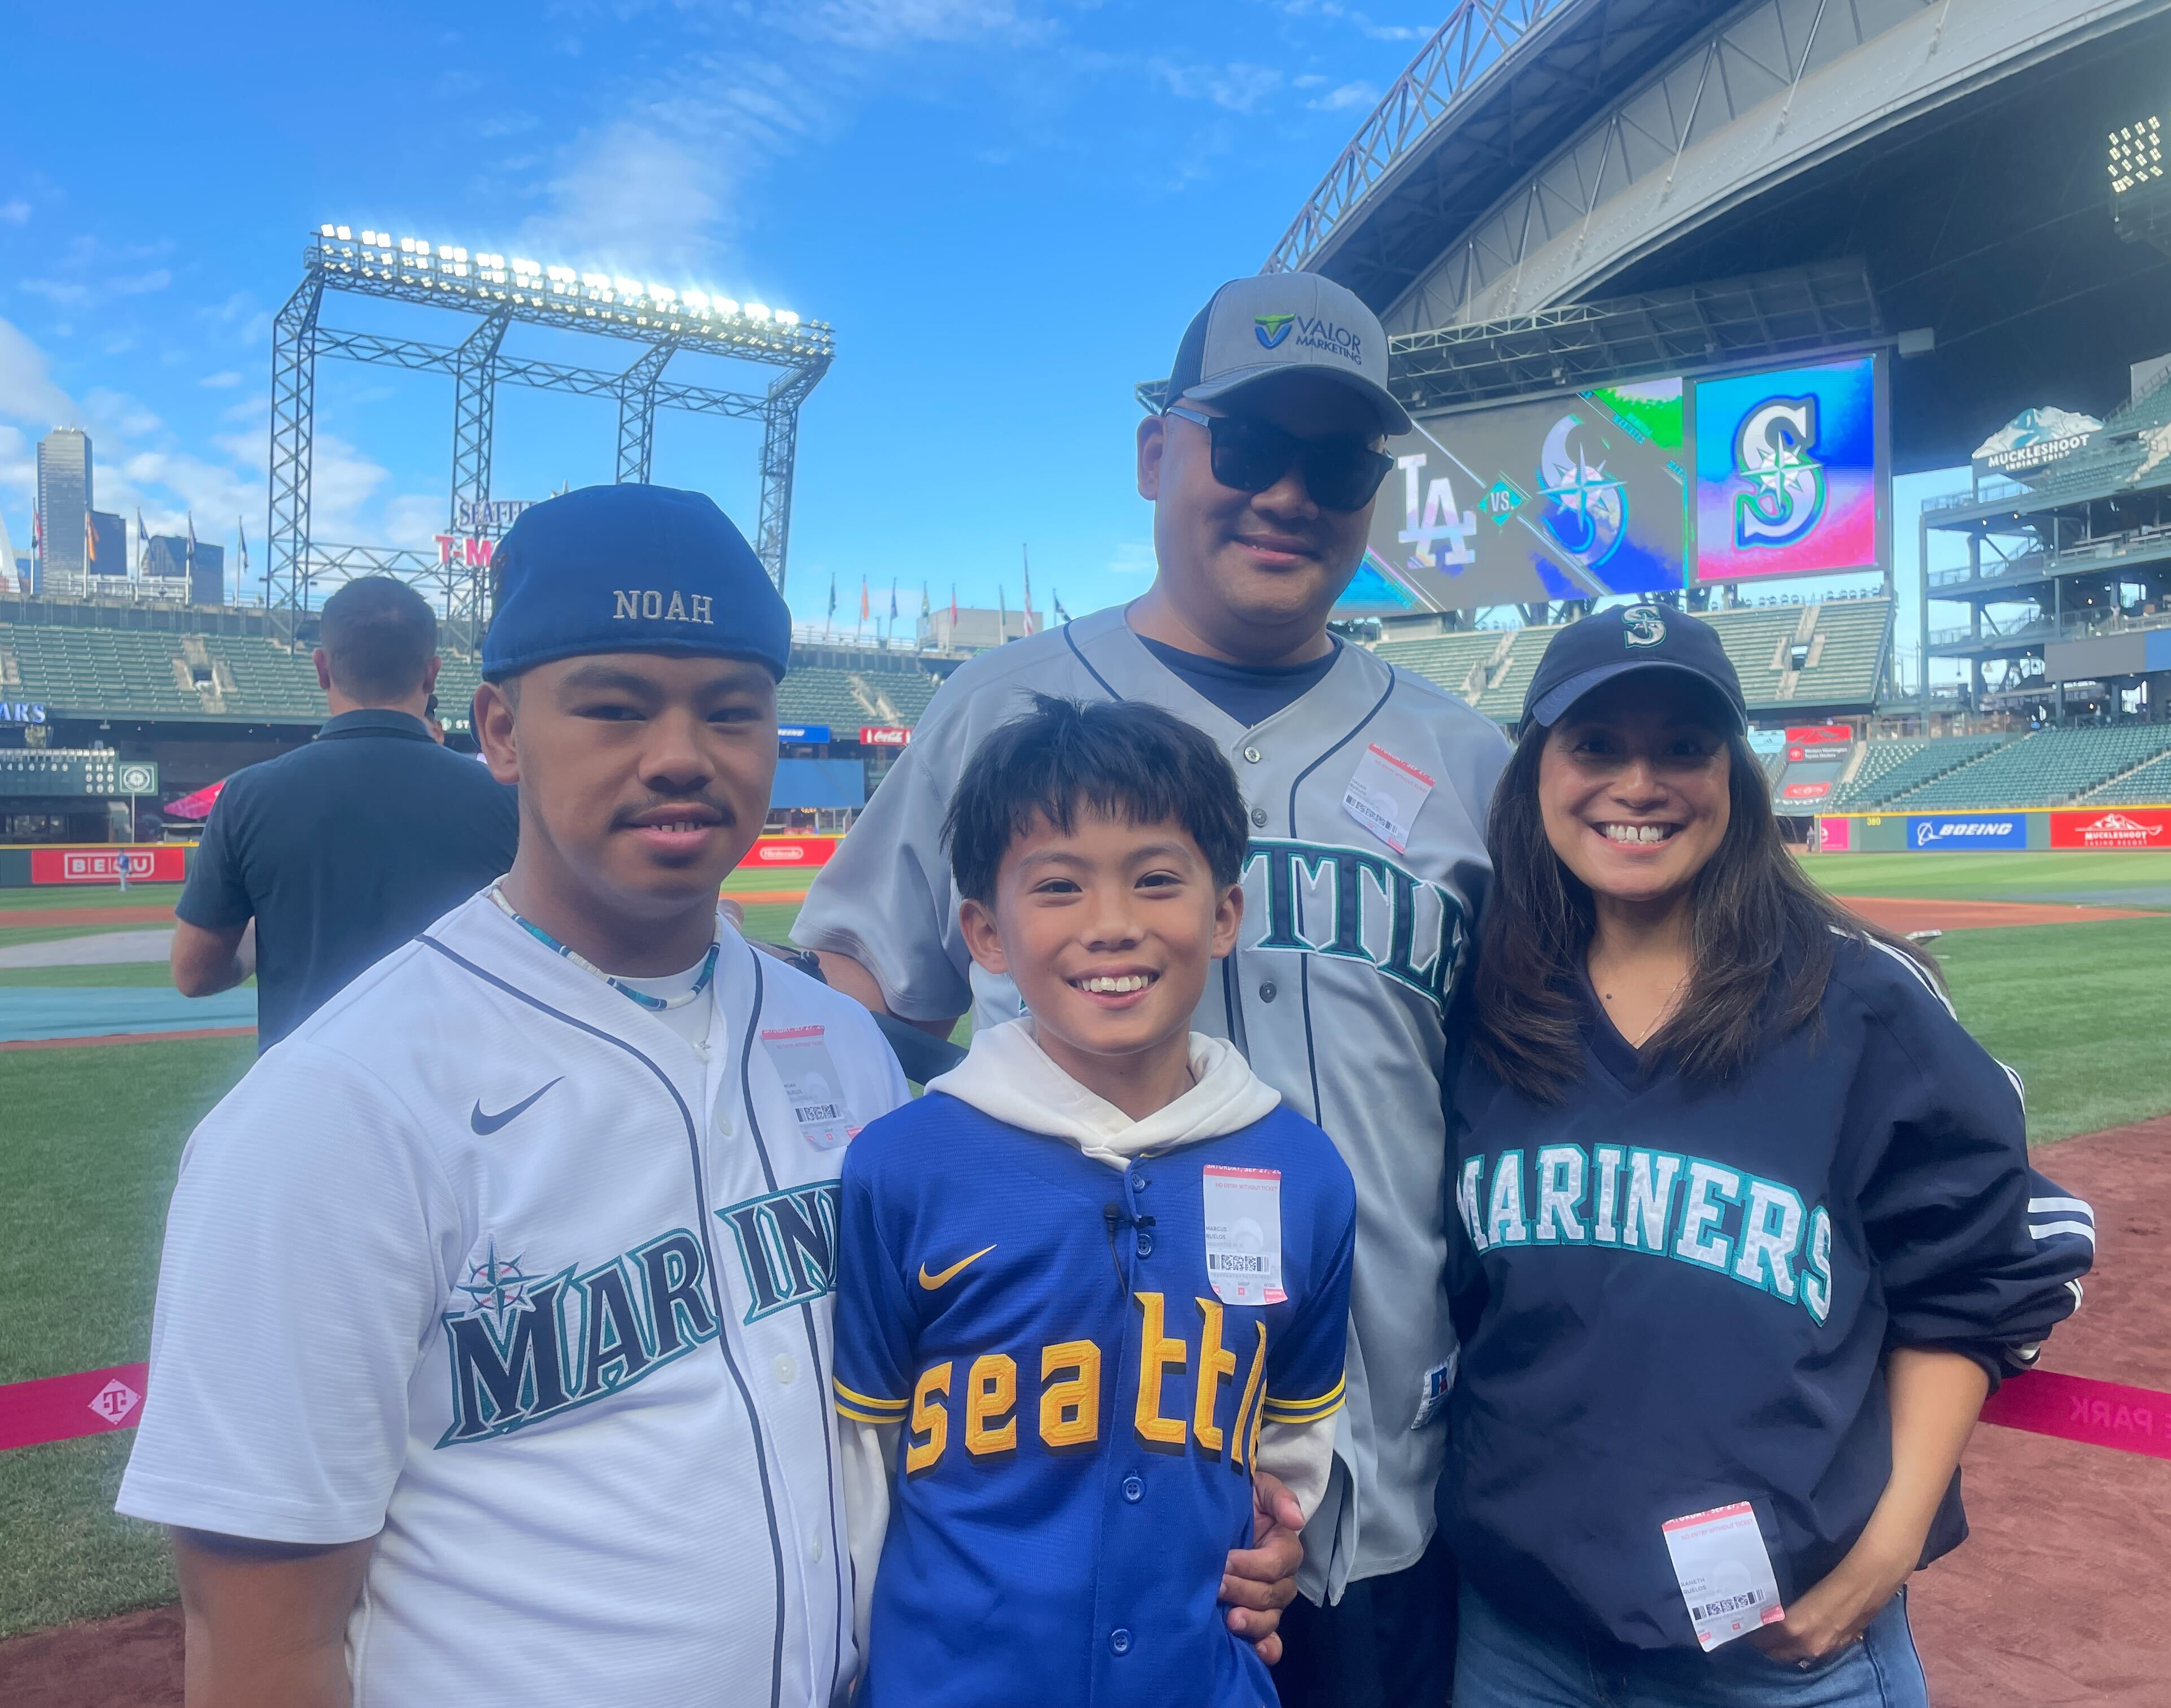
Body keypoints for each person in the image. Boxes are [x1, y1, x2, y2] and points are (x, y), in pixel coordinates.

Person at [117, 485, 1294, 1707]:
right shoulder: (332, 1110)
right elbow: (260, 1643)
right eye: (615, 705)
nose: (681, 753)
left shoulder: (841, 1044)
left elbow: (970, 1404)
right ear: (502, 731)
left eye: (731, 710)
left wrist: (1219, 1517)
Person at [795, 272, 1511, 1707]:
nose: (1289, 494)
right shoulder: (996, 706)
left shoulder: (1467, 757)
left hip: (1377, 1475)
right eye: (1247, 446)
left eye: (1337, 465)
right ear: (1154, 455)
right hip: (1042, 1510)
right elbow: (859, 991)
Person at [1437, 604, 2097, 1707]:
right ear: (1537, 771)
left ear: (1734, 776)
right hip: (1521, 1638)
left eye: (1682, 745)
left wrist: (1886, 1550)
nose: (1638, 783)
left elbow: (1979, 1277)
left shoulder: (1861, 1002)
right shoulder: (1484, 1005)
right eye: (1594, 743)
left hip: (1784, 1649)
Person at [834, 695, 1357, 1705]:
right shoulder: (902, 1164)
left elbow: (1291, 1439)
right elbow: (859, 1464)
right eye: (1059, 886)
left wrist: (1274, 1545)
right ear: (985, 931)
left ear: (1223, 915)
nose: (1112, 925)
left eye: (1156, 879)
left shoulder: (1305, 1170)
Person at [170, 574, 517, 1049]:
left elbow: (194, 973)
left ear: (322, 668)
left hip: (311, 1082)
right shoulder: (506, 795)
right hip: (464, 1078)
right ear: (432, 673)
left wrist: (264, 937)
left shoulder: (248, 796)